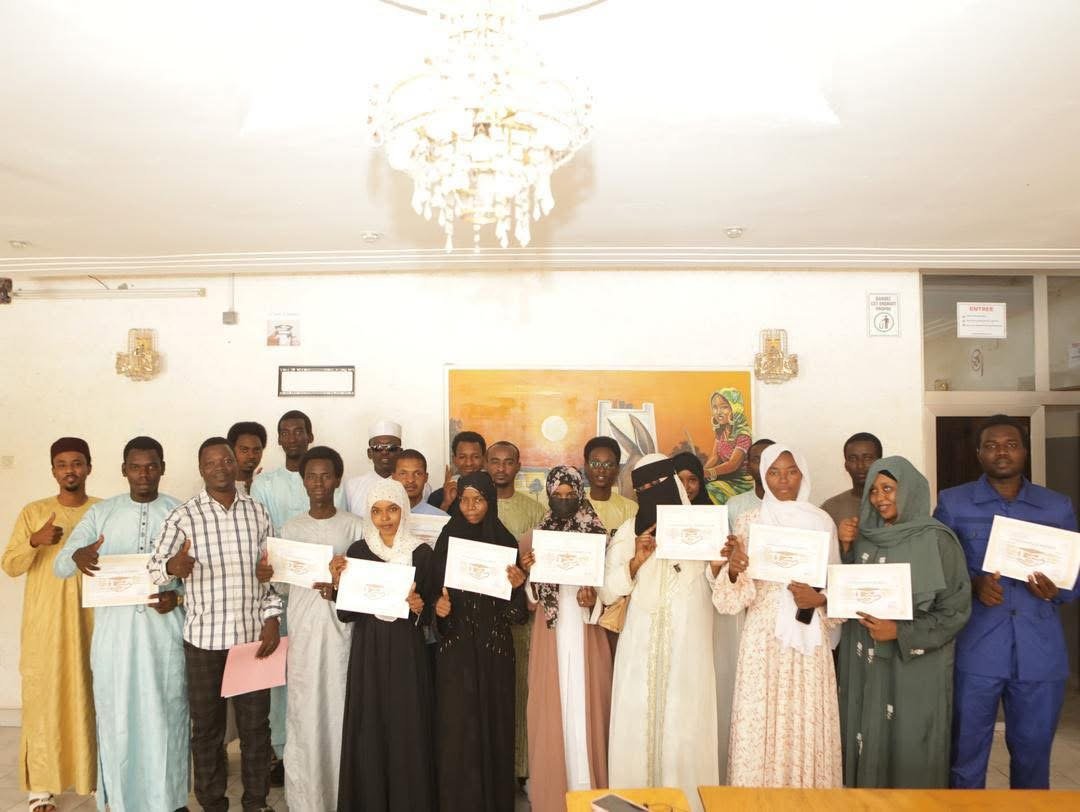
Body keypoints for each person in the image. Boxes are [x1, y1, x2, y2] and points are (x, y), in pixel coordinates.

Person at [935, 415, 1078, 789]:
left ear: (1024, 451)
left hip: (1039, 653)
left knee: (1033, 759)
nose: (1002, 452)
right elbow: (937, 570)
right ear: (978, 453)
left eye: (1011, 444)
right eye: (992, 445)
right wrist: (972, 584)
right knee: (965, 757)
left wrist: (1056, 589)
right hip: (977, 649)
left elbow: (1074, 578)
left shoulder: (1056, 507)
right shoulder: (953, 503)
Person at [53, 436, 189, 812]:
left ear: (162, 468)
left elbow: (202, 573)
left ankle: (169, 800)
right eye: (135, 467)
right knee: (117, 717)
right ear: (124, 470)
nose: (144, 474)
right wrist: (77, 556)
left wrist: (177, 597)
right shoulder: (103, 513)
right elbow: (60, 565)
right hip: (114, 638)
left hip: (163, 635)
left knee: (166, 716)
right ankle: (122, 800)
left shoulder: (181, 513)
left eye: (151, 466)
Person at [148, 437, 283, 812]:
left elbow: (270, 572)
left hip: (251, 640)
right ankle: (212, 804)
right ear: (201, 469)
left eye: (226, 460)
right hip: (203, 642)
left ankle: (256, 803)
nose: (220, 468)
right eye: (211, 463)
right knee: (207, 730)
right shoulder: (183, 516)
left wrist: (272, 617)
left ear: (235, 464)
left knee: (256, 729)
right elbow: (154, 569)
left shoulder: (257, 511)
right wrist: (172, 567)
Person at [713, 443, 843, 788]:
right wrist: (734, 568)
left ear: (803, 474)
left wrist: (819, 598)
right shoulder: (749, 520)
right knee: (762, 715)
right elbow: (729, 600)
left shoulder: (821, 521)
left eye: (791, 471)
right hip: (763, 635)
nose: (783, 480)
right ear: (763, 476)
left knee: (805, 715)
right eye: (774, 472)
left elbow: (838, 585)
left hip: (808, 632)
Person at [836, 456, 971, 788]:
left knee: (911, 741)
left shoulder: (938, 540)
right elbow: (852, 593)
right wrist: (846, 549)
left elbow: (955, 610)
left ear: (909, 489)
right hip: (868, 661)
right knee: (867, 737)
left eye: (888, 488)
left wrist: (900, 631)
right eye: (873, 490)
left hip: (915, 665)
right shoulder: (866, 537)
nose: (879, 498)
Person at [600, 454, 719, 808]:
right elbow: (607, 592)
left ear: (676, 483)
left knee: (686, 724)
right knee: (636, 723)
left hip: (688, 642)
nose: (653, 491)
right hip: (640, 644)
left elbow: (724, 593)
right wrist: (636, 561)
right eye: (645, 487)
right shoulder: (628, 531)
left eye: (660, 483)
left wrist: (720, 566)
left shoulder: (703, 525)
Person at [3, 438, 99, 812]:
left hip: (91, 622)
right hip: (45, 626)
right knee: (44, 699)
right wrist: (34, 541)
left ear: (88, 467)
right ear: (53, 471)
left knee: (92, 697)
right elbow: (10, 565)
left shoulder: (103, 511)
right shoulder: (34, 512)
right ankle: (41, 788)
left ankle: (94, 777)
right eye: (62, 464)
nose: (70, 470)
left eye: (77, 463)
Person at [330, 478, 436, 811]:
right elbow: (347, 612)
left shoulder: (421, 553)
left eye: (392, 509)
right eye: (376, 511)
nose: (385, 518)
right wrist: (338, 583)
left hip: (407, 651)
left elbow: (433, 611)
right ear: (369, 514)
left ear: (404, 510)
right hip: (369, 652)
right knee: (370, 725)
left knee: (408, 724)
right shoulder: (358, 552)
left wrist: (420, 607)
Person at [426, 472, 528, 812]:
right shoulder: (447, 539)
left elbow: (517, 615)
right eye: (464, 500)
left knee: (493, 725)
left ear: (490, 502)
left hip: (494, 651)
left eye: (479, 500)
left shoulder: (505, 541)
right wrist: (438, 609)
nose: (470, 507)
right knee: (456, 726)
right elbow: (430, 594)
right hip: (455, 651)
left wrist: (518, 586)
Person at [250, 409, 343, 780]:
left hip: (332, 611)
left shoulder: (346, 513)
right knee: (287, 680)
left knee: (332, 682)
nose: (292, 437)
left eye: (298, 431)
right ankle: (283, 753)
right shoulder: (265, 485)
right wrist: (272, 573)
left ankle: (336, 758)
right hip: (287, 599)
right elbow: (265, 539)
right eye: (285, 432)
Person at [520, 466, 613, 812]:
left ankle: (589, 791)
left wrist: (593, 601)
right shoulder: (533, 538)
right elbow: (530, 603)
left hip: (588, 631)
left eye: (570, 494)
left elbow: (613, 592)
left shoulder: (599, 536)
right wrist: (529, 573)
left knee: (588, 708)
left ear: (580, 493)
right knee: (552, 708)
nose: (563, 500)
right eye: (557, 495)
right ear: (548, 495)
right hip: (551, 635)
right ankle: (553, 793)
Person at [274, 446, 362, 812]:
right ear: (303, 481)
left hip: (344, 635)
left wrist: (342, 582)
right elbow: (282, 588)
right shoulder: (291, 528)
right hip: (305, 635)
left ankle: (345, 795)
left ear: (338, 480)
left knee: (340, 710)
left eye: (326, 476)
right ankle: (308, 800)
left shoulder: (355, 526)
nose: (319, 483)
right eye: (311, 476)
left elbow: (368, 581)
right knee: (305, 712)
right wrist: (270, 572)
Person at [673, 449, 740, 784]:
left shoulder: (715, 518)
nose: (687, 487)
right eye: (680, 480)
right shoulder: (661, 521)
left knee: (707, 688)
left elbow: (726, 575)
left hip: (710, 613)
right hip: (675, 619)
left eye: (693, 480)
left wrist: (718, 565)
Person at [486, 440, 545, 787]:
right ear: (486, 465)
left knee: (523, 688)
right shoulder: (475, 505)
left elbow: (543, 563)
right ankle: (495, 767)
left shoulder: (534, 510)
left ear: (518, 466)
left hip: (522, 615)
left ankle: (522, 766)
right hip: (484, 616)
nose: (501, 468)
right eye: (494, 461)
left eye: (508, 462)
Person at [344, 419, 432, 515]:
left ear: (400, 452)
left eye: (391, 448)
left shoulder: (421, 486)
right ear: (369, 453)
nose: (385, 452)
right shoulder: (352, 487)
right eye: (378, 448)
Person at [702, 388, 755, 505]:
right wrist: (700, 473)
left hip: (742, 483)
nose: (718, 412)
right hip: (725, 477)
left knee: (710, 490)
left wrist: (709, 473)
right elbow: (715, 457)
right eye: (715, 407)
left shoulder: (743, 434)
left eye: (724, 407)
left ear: (735, 408)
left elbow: (733, 464)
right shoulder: (721, 431)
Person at [821, 432, 883, 527]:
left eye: (867, 458)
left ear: (881, 463)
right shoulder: (830, 509)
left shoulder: (897, 503)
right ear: (846, 465)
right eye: (853, 459)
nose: (860, 465)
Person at [582, 436, 637, 532]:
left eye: (608, 465)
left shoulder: (630, 509)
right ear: (586, 466)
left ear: (617, 469)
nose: (601, 470)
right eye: (595, 464)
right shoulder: (575, 506)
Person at [428, 430, 486, 513]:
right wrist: (446, 504)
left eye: (475, 457)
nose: (469, 463)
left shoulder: (493, 493)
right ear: (454, 459)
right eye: (462, 457)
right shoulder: (437, 497)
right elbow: (432, 521)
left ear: (483, 459)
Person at [725, 438, 774, 530]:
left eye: (769, 459)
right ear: (748, 468)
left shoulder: (795, 507)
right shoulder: (733, 505)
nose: (763, 465)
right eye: (757, 460)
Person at [393, 449, 449, 516]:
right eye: (403, 474)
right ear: (394, 478)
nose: (410, 480)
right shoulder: (383, 518)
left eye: (418, 474)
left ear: (426, 477)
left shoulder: (441, 517)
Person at [228, 421, 267, 495]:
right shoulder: (219, 485)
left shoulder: (267, 484)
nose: (251, 456)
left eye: (256, 450)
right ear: (231, 450)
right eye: (244, 450)